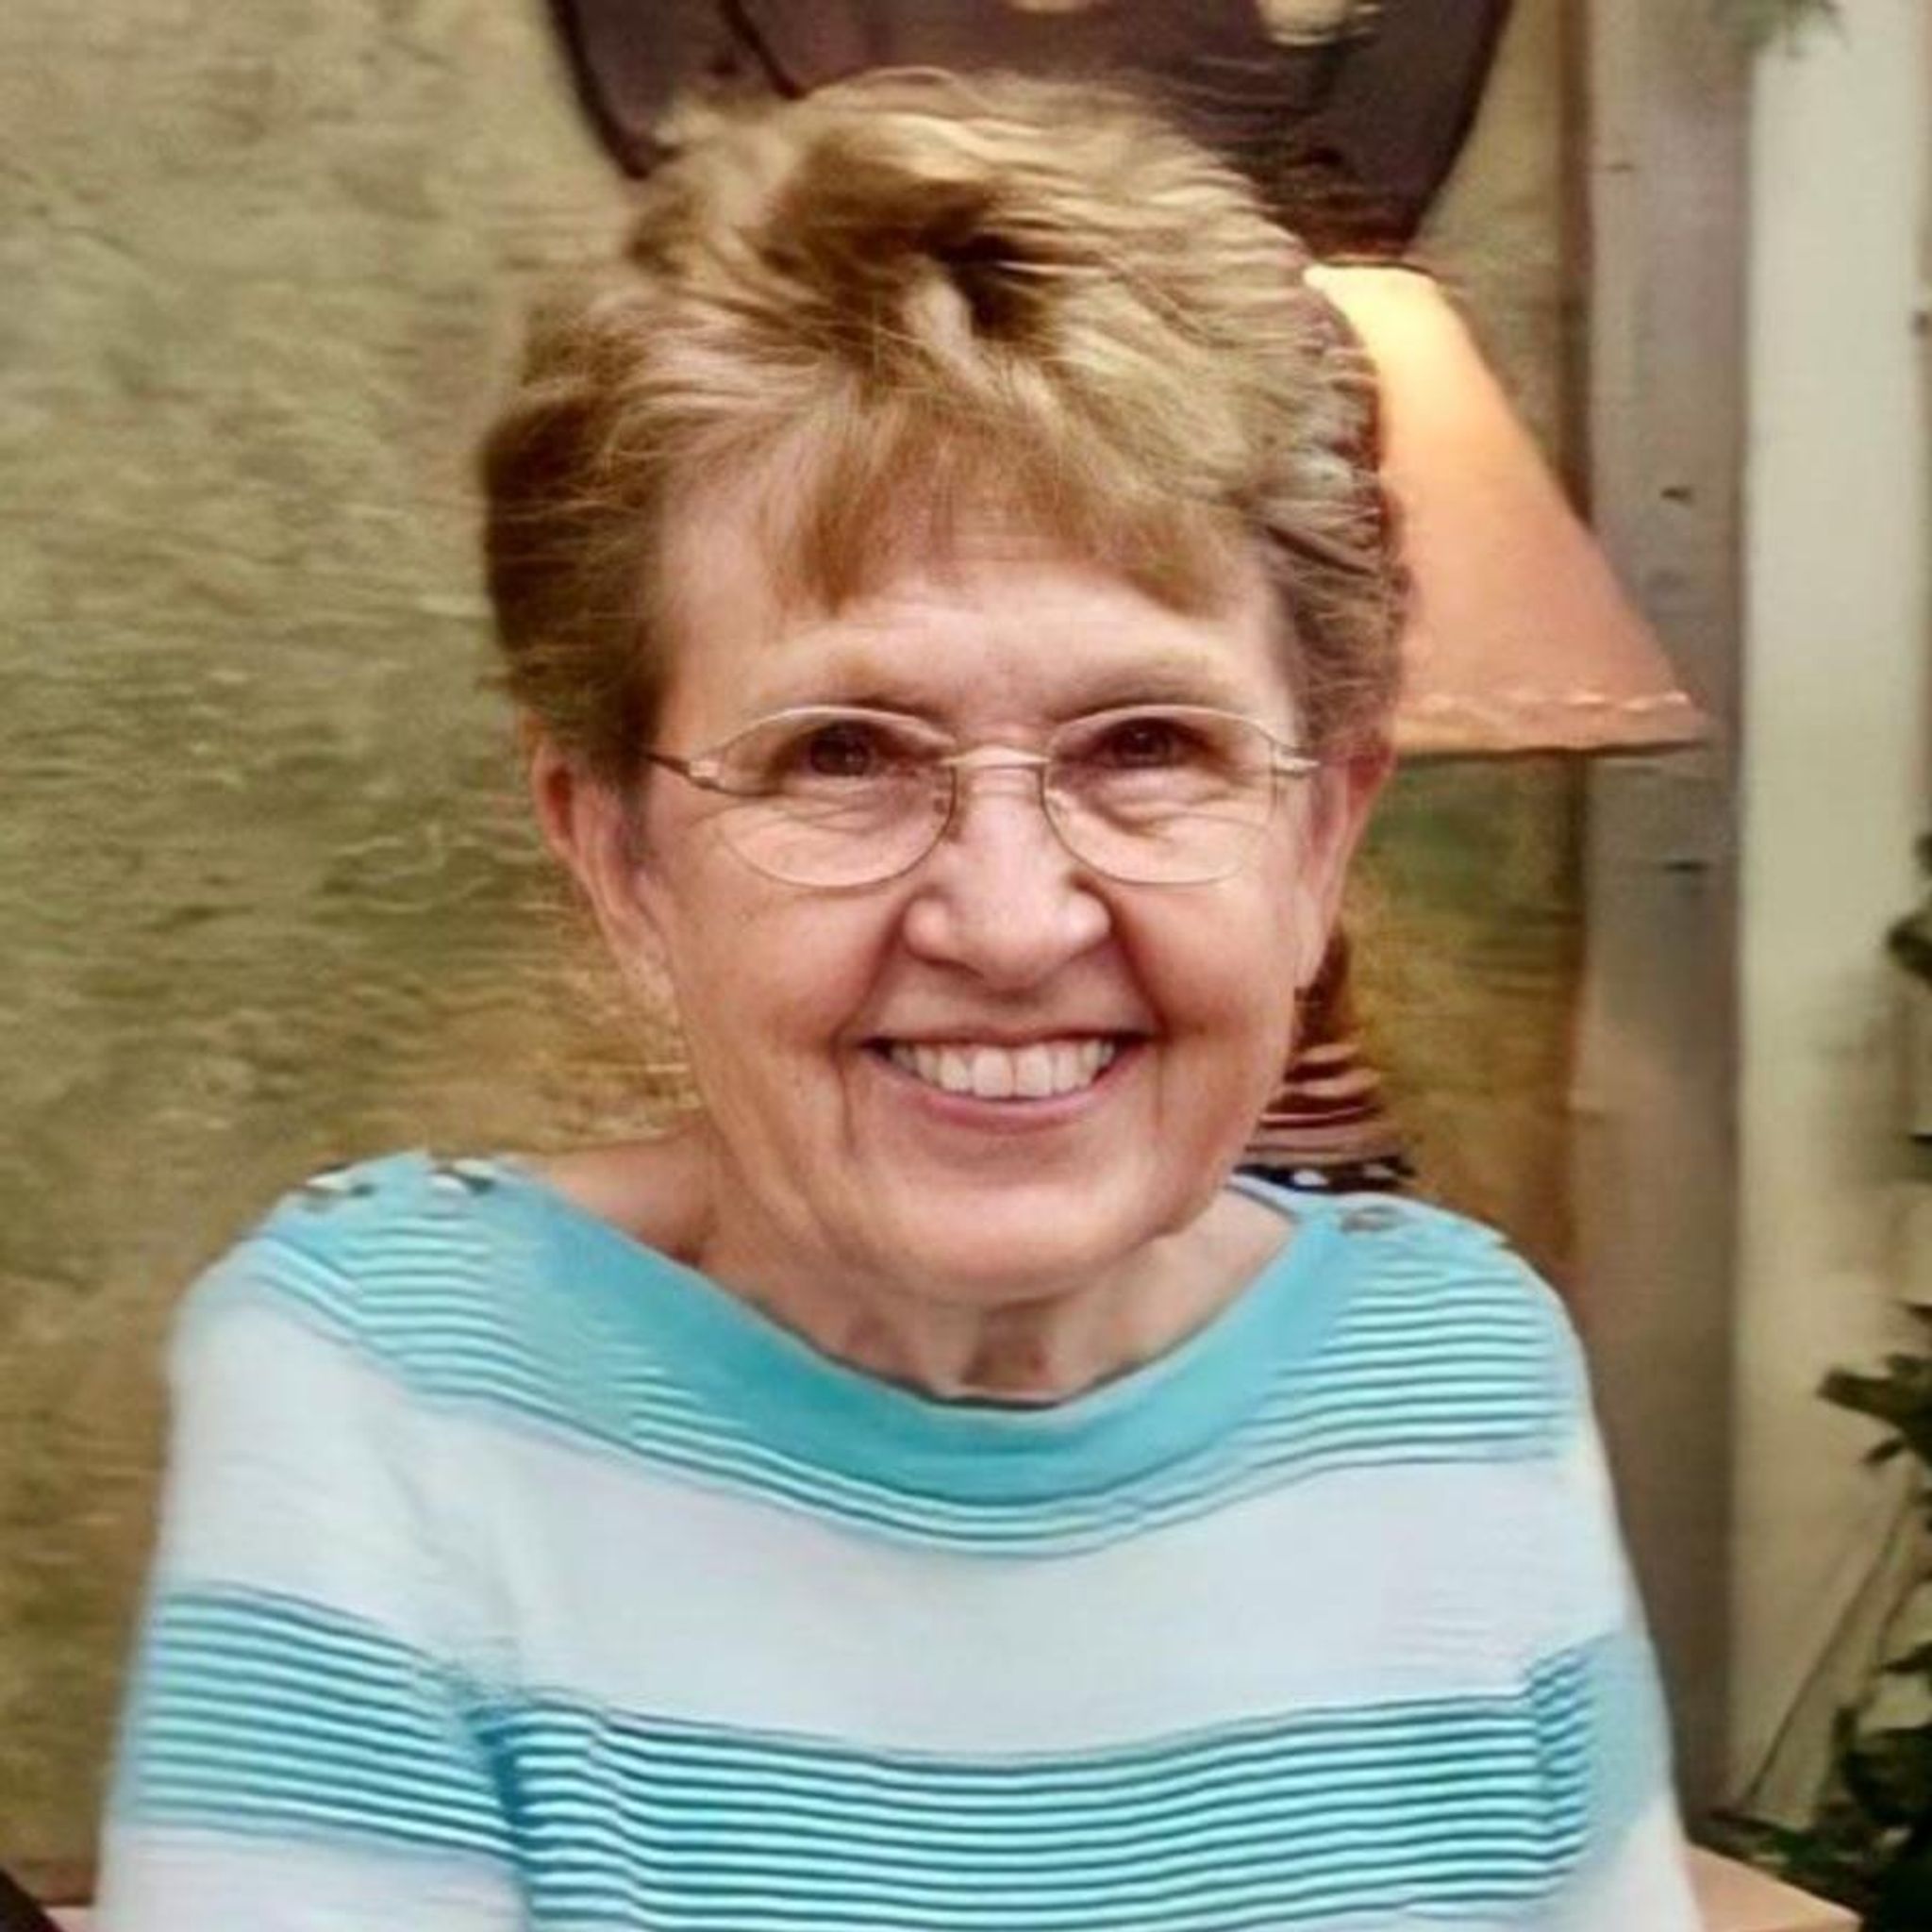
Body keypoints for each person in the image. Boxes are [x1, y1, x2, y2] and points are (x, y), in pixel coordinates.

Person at [97, 70, 1699, 1932]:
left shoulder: (1459, 1369)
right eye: (841, 753)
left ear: (1319, 835)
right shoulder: (391, 1392)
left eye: (1146, 744)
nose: (1009, 921)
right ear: (621, 852)